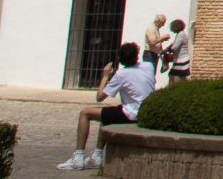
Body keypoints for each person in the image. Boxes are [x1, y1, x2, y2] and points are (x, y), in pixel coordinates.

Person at [63, 41, 156, 170]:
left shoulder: (121, 74)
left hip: (132, 114)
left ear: (120, 59)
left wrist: (105, 76)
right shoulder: (148, 66)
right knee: (107, 114)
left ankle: (78, 156)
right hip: (146, 111)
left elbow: (100, 97)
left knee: (85, 113)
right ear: (137, 56)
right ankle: (97, 154)